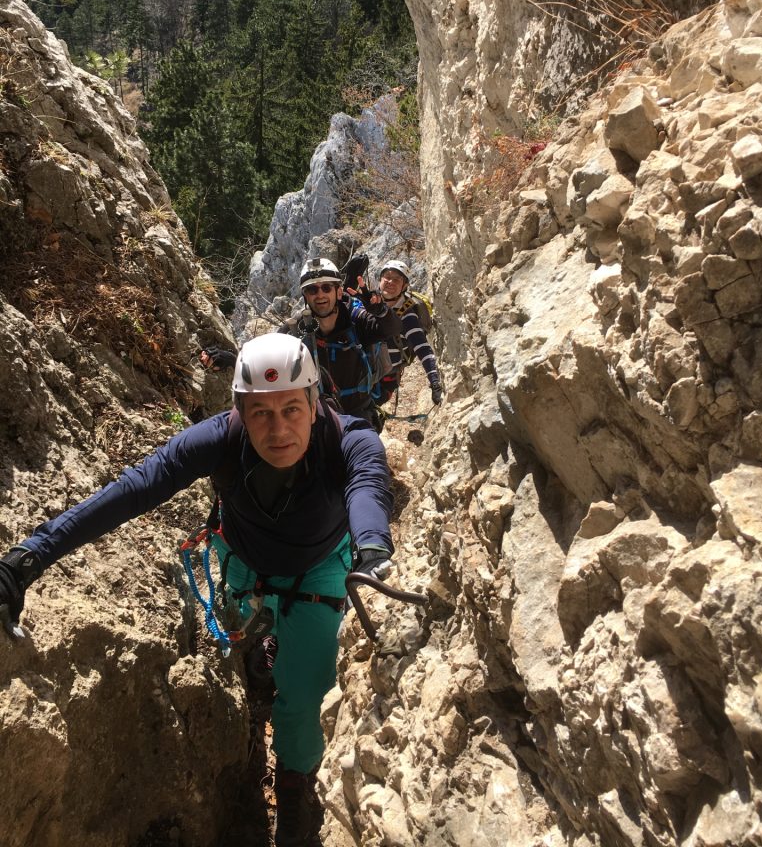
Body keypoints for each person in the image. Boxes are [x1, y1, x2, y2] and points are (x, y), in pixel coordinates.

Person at [0, 333, 394, 847]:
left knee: (303, 700)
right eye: (261, 414)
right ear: (237, 412)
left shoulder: (348, 439)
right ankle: (262, 656)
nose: (278, 430)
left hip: (319, 571)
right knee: (252, 637)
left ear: (315, 405)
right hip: (243, 566)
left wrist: (371, 547)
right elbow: (137, 486)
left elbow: (368, 484)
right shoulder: (219, 439)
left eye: (292, 410)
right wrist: (30, 556)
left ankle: (294, 793)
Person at [279, 257, 402, 432]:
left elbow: (392, 329)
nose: (320, 294)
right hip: (316, 416)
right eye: (312, 289)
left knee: (367, 456)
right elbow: (270, 353)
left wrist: (380, 311)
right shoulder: (297, 328)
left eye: (327, 287)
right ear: (305, 296)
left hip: (357, 414)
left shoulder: (356, 319)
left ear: (338, 292)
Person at [377, 259, 443, 405]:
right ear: (380, 280)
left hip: (385, 379)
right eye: (387, 277)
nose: (390, 282)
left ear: (404, 286)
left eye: (397, 279)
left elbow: (422, 348)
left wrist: (434, 382)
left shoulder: (407, 315)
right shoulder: (369, 303)